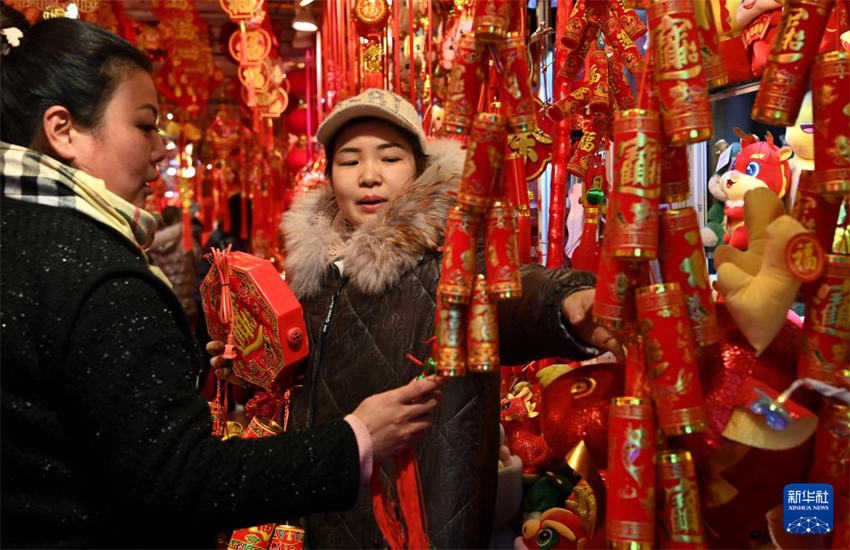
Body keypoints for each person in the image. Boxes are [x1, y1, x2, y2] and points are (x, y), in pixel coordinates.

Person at [0, 15, 443, 547]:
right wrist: (353, 440)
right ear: (63, 130)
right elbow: (177, 477)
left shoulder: (27, 237)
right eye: (145, 125)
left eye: (391, 158)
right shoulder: (95, 270)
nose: (160, 149)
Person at [277, 88, 622, 548]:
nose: (369, 176)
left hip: (422, 523)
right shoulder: (312, 279)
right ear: (329, 176)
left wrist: (566, 301)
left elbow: (511, 295)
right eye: (349, 160)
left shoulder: (450, 263)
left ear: (419, 170)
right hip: (318, 514)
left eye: (390, 157)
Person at [148, 205, 201, 330]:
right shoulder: (186, 238)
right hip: (188, 301)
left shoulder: (151, 242)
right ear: (178, 218)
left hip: (165, 300)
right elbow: (198, 260)